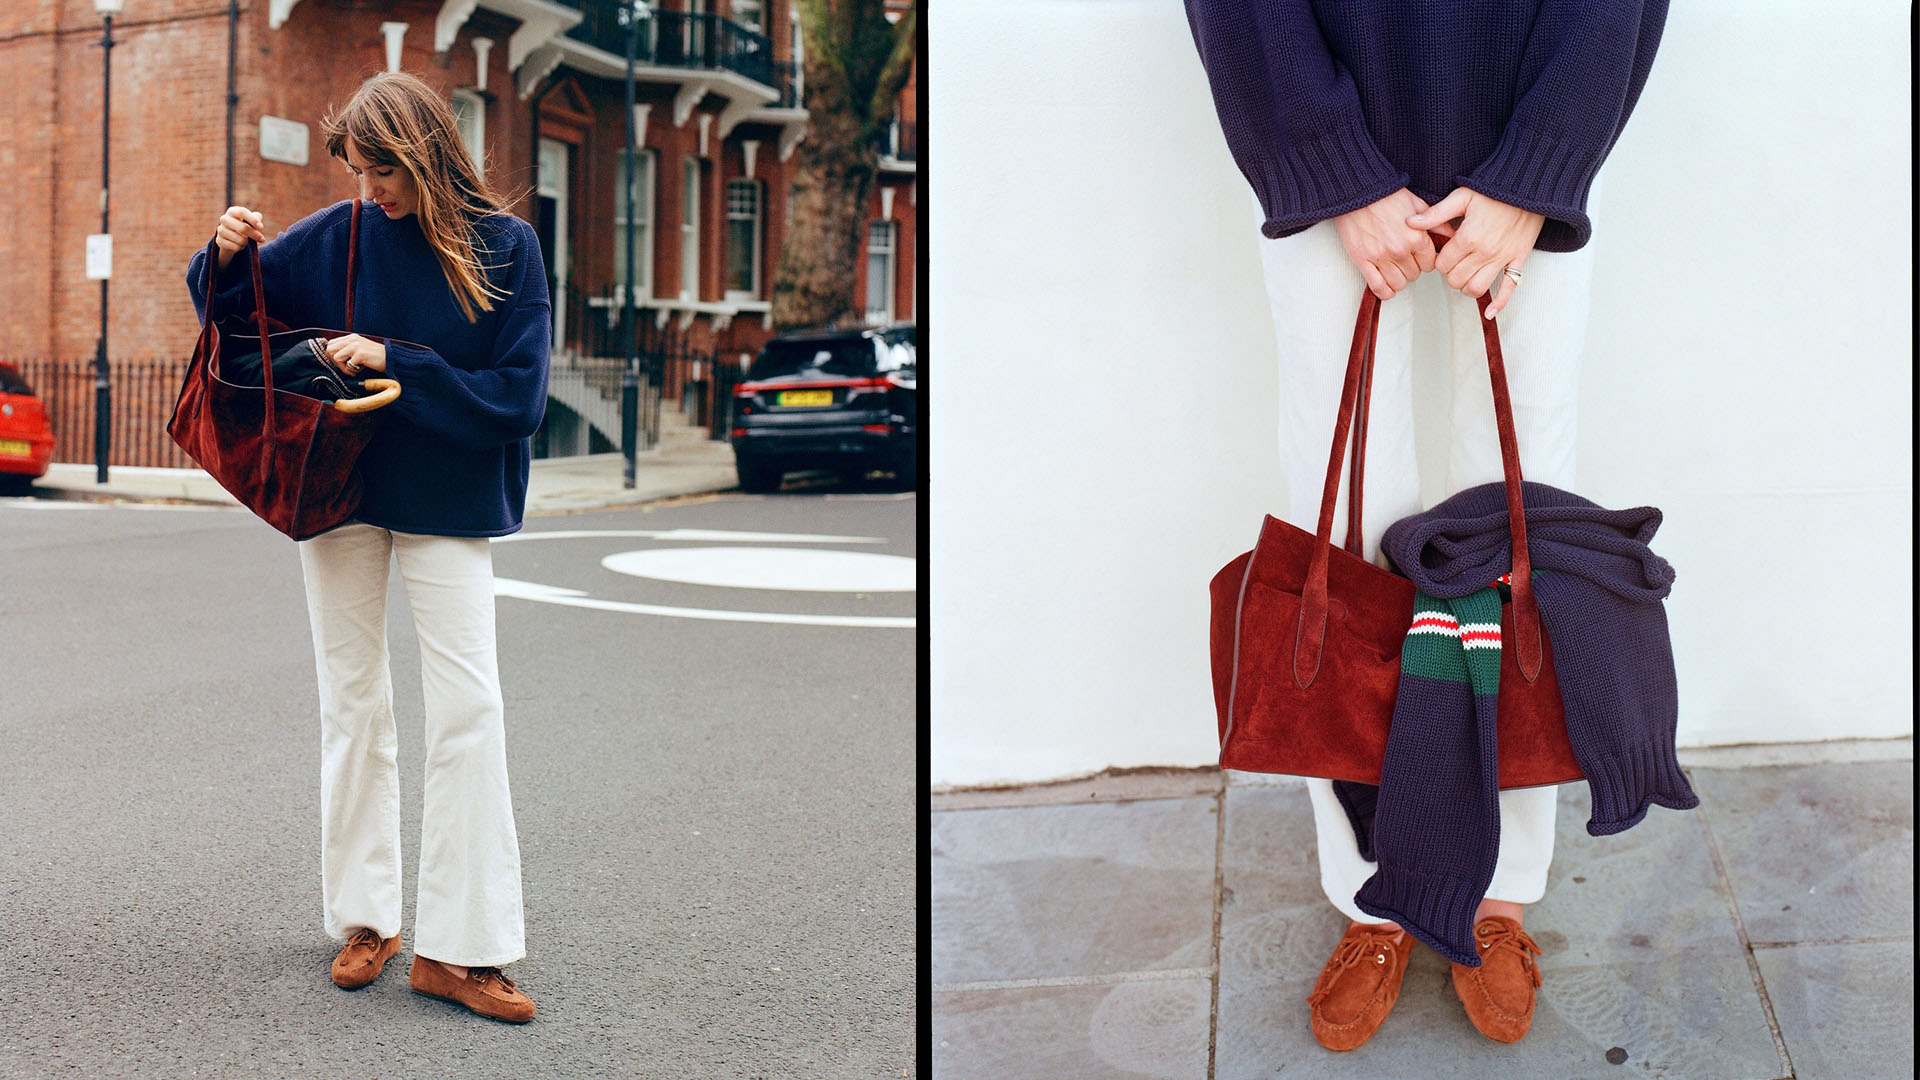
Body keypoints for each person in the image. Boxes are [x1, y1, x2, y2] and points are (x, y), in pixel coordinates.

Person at [1184, 0, 1671, 1052]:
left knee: (1522, 535)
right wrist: (1329, 168)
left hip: (1530, 144)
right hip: (1326, 153)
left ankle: (1499, 893)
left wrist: (1536, 167)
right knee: (1346, 541)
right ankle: (1375, 893)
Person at [185, 71, 551, 1023]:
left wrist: (397, 360)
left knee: (469, 711)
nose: (371, 188)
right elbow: (238, 319)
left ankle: (461, 952)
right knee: (354, 706)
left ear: (424, 151)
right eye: (359, 169)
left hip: (449, 502)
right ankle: (366, 920)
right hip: (340, 494)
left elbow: (517, 399)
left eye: (382, 168)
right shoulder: (340, 237)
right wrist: (223, 258)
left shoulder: (507, 249)